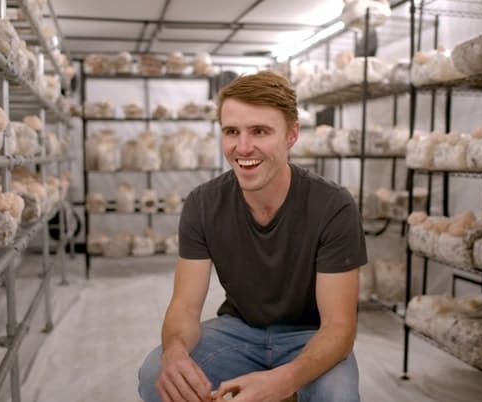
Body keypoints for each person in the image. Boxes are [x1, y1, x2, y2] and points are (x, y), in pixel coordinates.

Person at [138, 71, 366, 402]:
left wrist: (283, 382)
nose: (243, 147)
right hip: (239, 331)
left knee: (337, 396)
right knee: (155, 375)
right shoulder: (203, 204)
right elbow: (184, 307)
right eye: (232, 131)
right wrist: (174, 351)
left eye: (260, 131)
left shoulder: (333, 205)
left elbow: (339, 327)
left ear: (291, 135)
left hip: (310, 335)